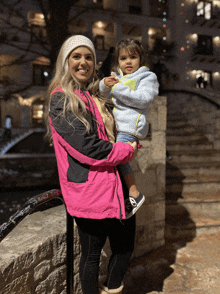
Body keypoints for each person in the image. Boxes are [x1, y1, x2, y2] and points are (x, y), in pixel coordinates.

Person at [45, 35, 138, 294]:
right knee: (91, 257)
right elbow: (86, 149)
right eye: (76, 56)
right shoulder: (61, 99)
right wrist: (125, 151)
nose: (83, 62)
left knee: (125, 248)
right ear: (65, 61)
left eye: (88, 57)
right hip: (90, 193)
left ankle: (112, 289)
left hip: (115, 188)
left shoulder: (91, 95)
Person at [99, 38, 159, 219]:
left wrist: (117, 88)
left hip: (130, 126)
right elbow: (104, 97)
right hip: (116, 126)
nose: (128, 62)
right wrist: (104, 85)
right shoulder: (118, 77)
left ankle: (133, 193)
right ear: (117, 61)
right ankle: (122, 195)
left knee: (117, 158)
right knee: (115, 160)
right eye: (123, 58)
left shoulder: (147, 77)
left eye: (133, 57)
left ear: (141, 59)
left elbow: (143, 99)